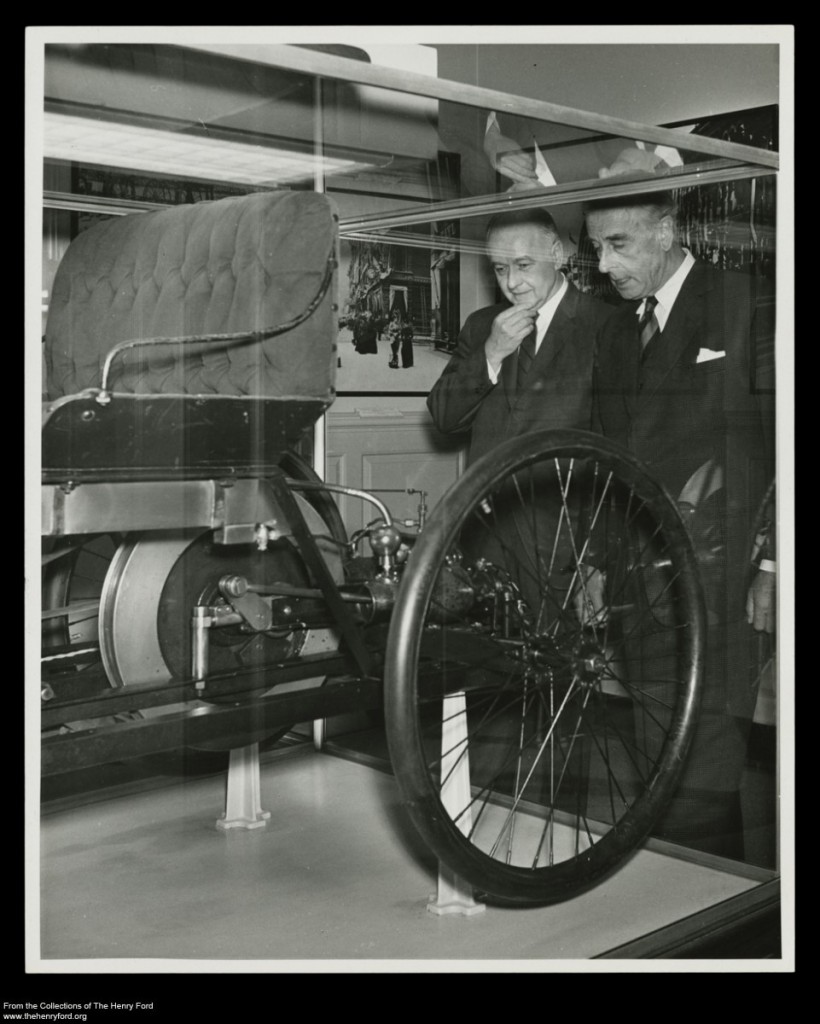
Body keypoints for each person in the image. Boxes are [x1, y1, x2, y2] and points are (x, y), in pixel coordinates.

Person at [583, 187, 776, 859]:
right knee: (655, 742)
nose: (603, 266)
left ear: (665, 232)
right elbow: (606, 454)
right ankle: (676, 885)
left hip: (723, 573)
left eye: (618, 245)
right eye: (597, 247)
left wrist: (775, 564)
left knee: (709, 751)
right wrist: (598, 562)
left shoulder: (744, 300)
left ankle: (719, 909)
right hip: (638, 574)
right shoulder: (614, 327)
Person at [427, 207, 613, 465]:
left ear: (556, 255)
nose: (512, 282)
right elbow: (444, 417)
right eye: (501, 269)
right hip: (489, 501)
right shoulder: (481, 325)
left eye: (523, 265)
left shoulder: (606, 325)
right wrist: (490, 353)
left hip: (564, 502)